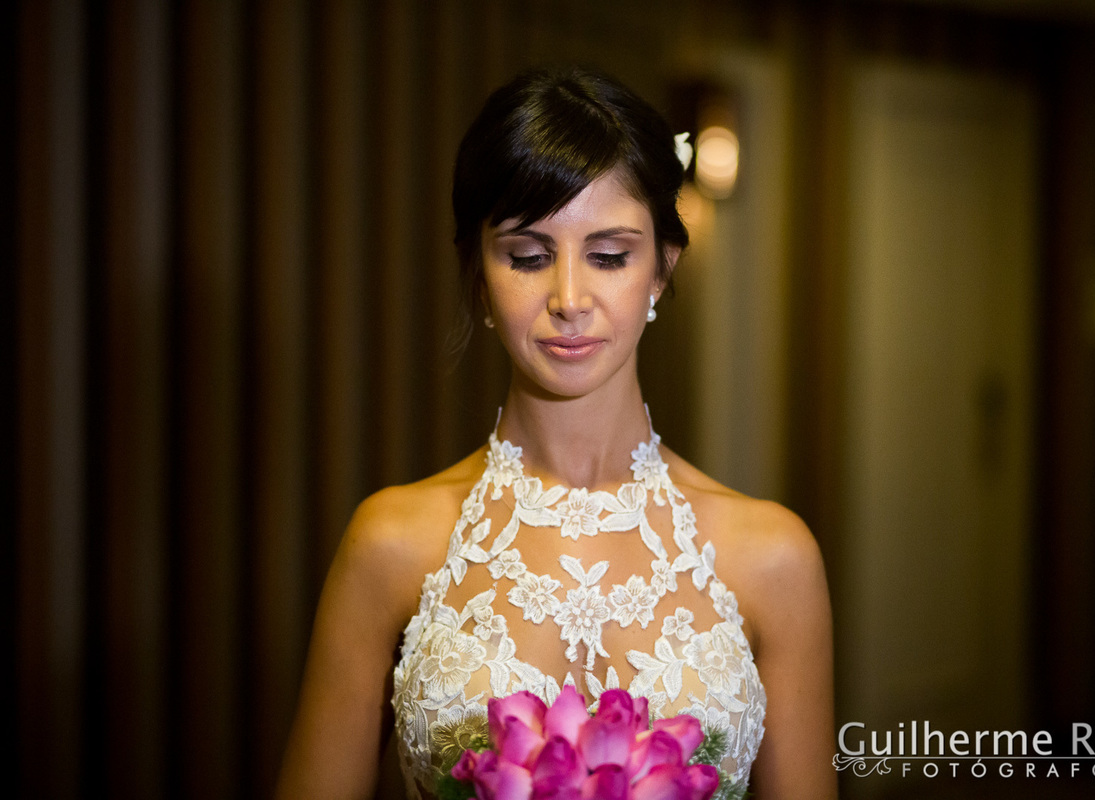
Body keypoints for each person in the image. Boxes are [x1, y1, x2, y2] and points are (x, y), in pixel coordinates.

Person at [277, 66, 834, 799]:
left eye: (609, 256)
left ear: (662, 270)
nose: (570, 299)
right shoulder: (390, 543)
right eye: (529, 256)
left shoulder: (773, 558)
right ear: (477, 272)